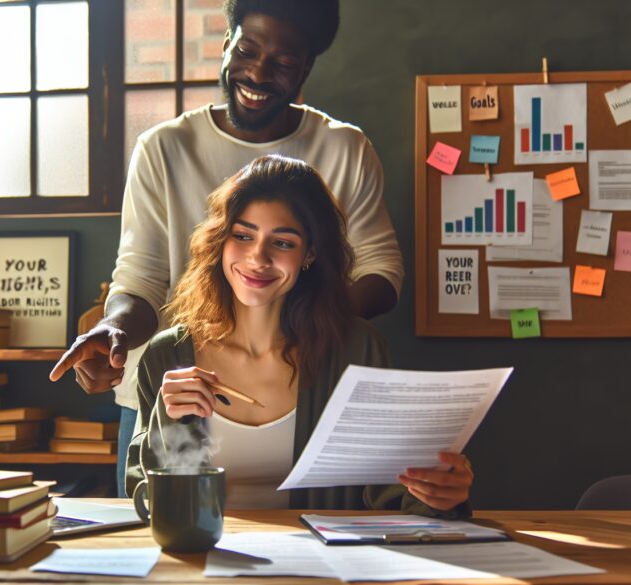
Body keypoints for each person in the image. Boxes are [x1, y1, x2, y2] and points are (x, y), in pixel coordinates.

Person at [50, 0, 404, 497]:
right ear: (225, 45)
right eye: (247, 50)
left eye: (282, 63)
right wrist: (113, 331)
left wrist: (295, 325)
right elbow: (141, 277)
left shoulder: (344, 149)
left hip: (306, 388)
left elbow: (381, 269)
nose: (258, 73)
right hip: (173, 388)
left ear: (306, 68)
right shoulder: (162, 148)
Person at [125, 155, 472, 514]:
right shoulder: (167, 356)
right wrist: (166, 425)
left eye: (283, 243)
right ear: (219, 242)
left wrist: (440, 492)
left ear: (310, 253)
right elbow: (145, 503)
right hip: (202, 560)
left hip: (324, 566)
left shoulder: (357, 350)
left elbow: (393, 495)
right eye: (243, 235)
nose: (258, 257)